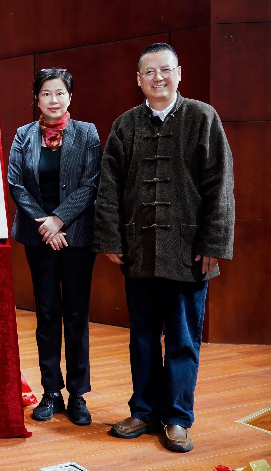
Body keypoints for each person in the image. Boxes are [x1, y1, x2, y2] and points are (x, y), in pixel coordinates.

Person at [92, 43, 234, 453]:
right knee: (142, 338)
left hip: (190, 252)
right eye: (149, 72)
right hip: (139, 250)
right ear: (139, 80)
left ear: (179, 73)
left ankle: (177, 418)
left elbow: (221, 185)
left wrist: (213, 243)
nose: (158, 78)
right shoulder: (125, 125)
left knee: (183, 341)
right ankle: (143, 410)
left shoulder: (202, 117)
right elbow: (109, 187)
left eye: (165, 70)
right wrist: (111, 238)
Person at [7, 68, 102, 426]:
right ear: (37, 98)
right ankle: (51, 392)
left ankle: (77, 394)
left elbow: (91, 183)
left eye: (60, 93)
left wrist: (59, 220)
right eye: (46, 93)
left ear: (70, 97)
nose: (53, 100)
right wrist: (45, 225)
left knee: (76, 315)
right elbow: (16, 185)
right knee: (47, 314)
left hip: (76, 238)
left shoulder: (87, 133)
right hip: (39, 238)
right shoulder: (24, 135)